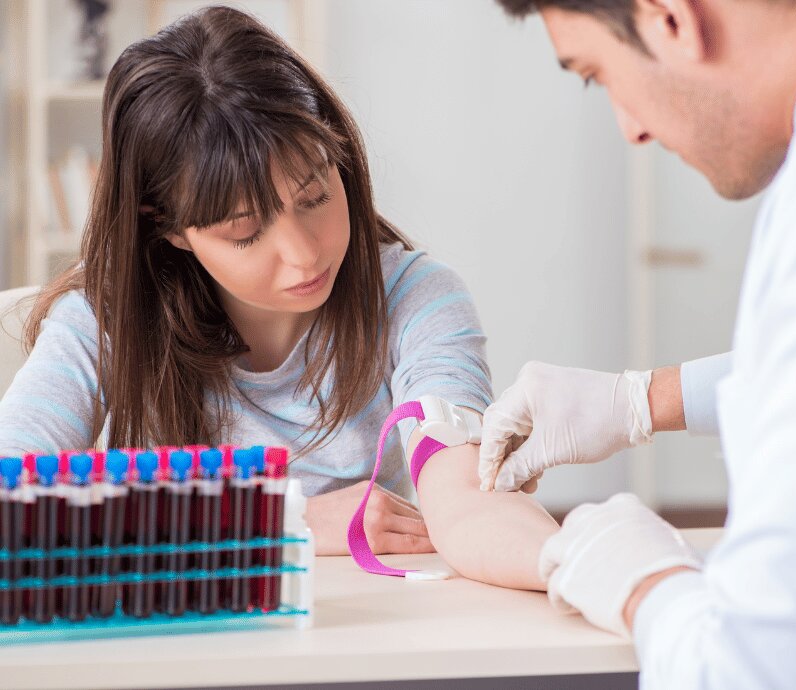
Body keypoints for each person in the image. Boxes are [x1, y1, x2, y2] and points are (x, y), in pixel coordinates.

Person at [0, 6, 557, 591]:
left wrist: (604, 568)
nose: (303, 254)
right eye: (245, 231)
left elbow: (463, 499)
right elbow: (11, 502)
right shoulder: (105, 320)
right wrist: (282, 519)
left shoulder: (416, 299)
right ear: (166, 226)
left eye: (315, 196)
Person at [483, 0, 796, 687]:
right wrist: (642, 399)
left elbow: (767, 672)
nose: (631, 129)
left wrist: (641, 581)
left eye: (596, 74)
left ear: (668, 18)